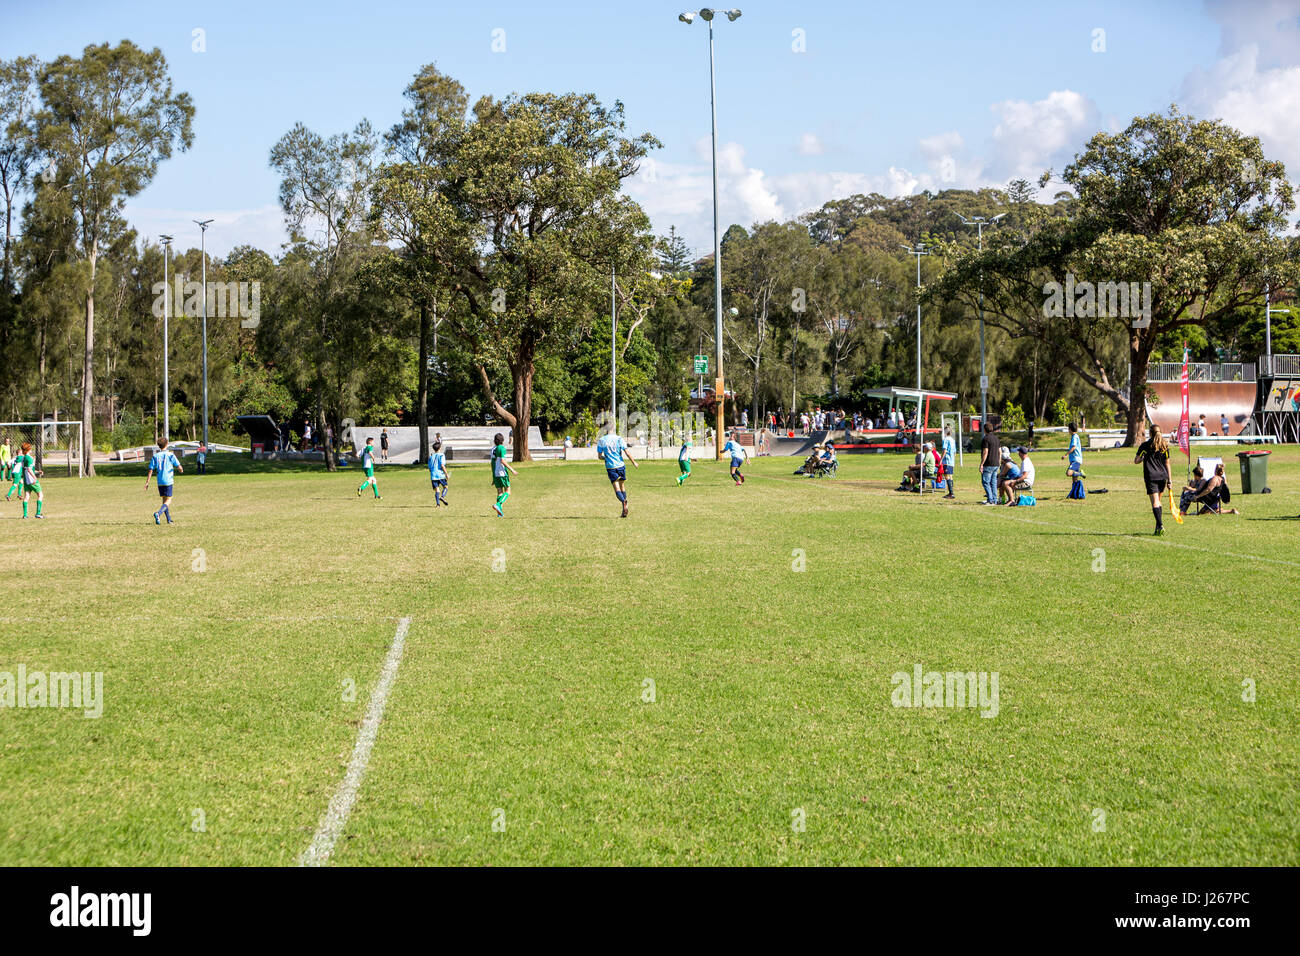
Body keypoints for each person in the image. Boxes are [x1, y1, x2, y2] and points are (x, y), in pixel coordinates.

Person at [1134, 422, 1172, 535]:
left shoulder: (1145, 445)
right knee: (1158, 501)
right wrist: (1170, 480)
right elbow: (1167, 463)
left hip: (1151, 476)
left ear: (1150, 433)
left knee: (1155, 502)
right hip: (1163, 476)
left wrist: (1143, 459)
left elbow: (1136, 460)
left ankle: (1160, 525)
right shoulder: (1164, 446)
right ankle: (1157, 528)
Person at [595, 428, 637, 517]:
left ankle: (623, 502)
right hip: (621, 466)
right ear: (613, 430)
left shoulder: (602, 440)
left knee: (617, 488)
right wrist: (634, 462)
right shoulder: (619, 438)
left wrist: (605, 458)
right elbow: (627, 452)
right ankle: (624, 506)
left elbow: (599, 456)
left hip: (611, 467)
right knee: (622, 486)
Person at [144, 438, 181, 524]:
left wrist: (147, 482)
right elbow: (179, 466)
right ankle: (158, 513)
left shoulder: (155, 456)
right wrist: (181, 469)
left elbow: (150, 470)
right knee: (169, 500)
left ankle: (169, 519)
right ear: (167, 444)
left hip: (160, 481)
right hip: (168, 480)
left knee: (164, 500)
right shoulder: (170, 455)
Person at [978, 421, 1000, 506]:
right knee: (993, 482)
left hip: (988, 463)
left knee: (985, 482)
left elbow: (985, 452)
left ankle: (990, 500)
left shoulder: (986, 439)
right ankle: (994, 499)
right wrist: (999, 461)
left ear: (985, 430)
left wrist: (982, 464)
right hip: (996, 463)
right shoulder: (996, 439)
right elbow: (999, 451)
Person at [428, 440, 448, 506]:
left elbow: (430, 468)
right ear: (440, 448)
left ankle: (438, 504)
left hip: (433, 475)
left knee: (437, 490)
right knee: (445, 487)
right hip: (441, 475)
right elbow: (442, 465)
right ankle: (442, 497)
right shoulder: (441, 455)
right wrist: (446, 474)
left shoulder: (431, 457)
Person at [941, 425, 956, 498]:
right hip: (952, 461)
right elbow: (955, 452)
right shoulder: (953, 440)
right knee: (950, 476)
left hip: (946, 460)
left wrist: (941, 460)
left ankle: (951, 493)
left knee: (947, 476)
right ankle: (951, 492)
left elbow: (944, 450)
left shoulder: (946, 439)